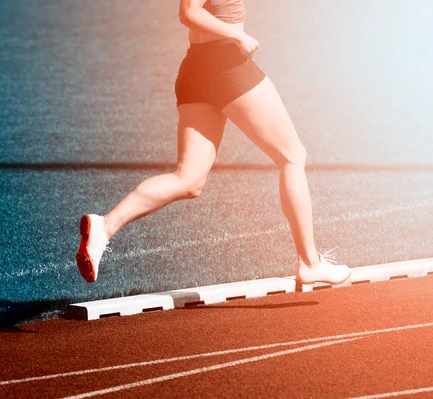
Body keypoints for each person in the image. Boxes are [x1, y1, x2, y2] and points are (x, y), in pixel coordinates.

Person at [76, 0, 351, 285]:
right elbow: (189, 12)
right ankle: (309, 262)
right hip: (227, 67)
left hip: (197, 69)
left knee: (188, 180)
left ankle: (105, 226)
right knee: (292, 156)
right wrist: (237, 35)